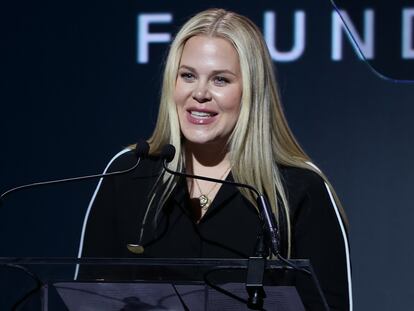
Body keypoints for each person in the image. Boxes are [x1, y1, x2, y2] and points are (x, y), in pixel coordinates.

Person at [76, 8, 352, 310]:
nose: (200, 93)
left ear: (251, 92)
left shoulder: (300, 190)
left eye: (220, 80)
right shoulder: (129, 172)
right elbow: (87, 296)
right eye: (188, 76)